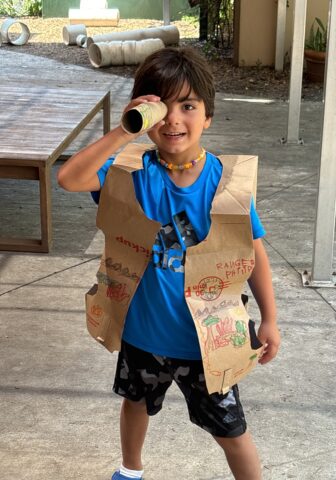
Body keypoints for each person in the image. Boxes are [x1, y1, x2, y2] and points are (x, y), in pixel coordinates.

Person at [57, 46, 280, 480]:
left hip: (207, 342)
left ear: (208, 116)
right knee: (135, 403)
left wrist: (270, 317)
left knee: (233, 433)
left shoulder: (224, 184)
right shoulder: (129, 172)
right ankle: (130, 470)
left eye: (188, 105)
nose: (174, 119)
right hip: (143, 334)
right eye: (163, 106)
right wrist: (125, 131)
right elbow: (69, 178)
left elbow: (252, 254)